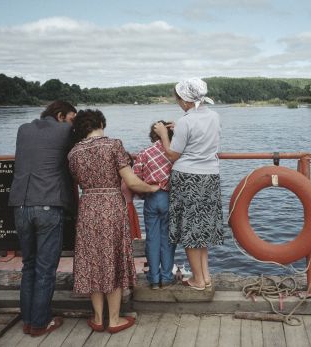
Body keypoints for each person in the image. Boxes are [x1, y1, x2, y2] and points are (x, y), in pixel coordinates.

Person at [68, 109, 159, 334]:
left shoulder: (74, 153)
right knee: (113, 259)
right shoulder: (113, 145)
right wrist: (152, 187)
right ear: (101, 123)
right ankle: (115, 319)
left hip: (88, 206)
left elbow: (78, 181)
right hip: (110, 206)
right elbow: (132, 182)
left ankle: (98, 318)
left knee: (94, 262)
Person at [8, 100, 77, 337]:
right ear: (60, 116)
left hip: (20, 204)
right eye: (71, 118)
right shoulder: (66, 130)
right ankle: (39, 323)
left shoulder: (23, 129)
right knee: (45, 269)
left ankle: (28, 320)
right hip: (48, 204)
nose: (73, 123)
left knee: (29, 265)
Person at [154, 78, 223, 291]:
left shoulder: (185, 121)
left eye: (178, 99)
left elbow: (173, 155)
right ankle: (205, 276)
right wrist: (181, 128)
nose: (177, 103)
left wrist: (164, 134)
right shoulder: (214, 115)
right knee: (200, 229)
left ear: (184, 100)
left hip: (187, 178)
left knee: (190, 230)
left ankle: (198, 280)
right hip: (210, 176)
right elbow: (200, 134)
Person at [133, 121, 176, 289]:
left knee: (152, 238)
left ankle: (153, 279)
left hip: (151, 197)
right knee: (168, 240)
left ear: (152, 136)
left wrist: (145, 192)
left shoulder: (144, 153)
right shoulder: (174, 153)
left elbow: (136, 178)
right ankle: (166, 277)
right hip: (168, 197)